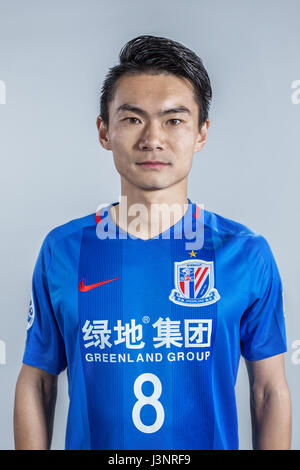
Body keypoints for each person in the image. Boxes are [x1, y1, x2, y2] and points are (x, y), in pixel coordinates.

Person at [14, 35, 291, 450]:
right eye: (132, 119)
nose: (153, 139)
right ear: (104, 131)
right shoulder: (63, 250)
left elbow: (268, 392)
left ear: (201, 133)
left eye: (174, 120)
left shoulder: (245, 254)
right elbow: (37, 382)